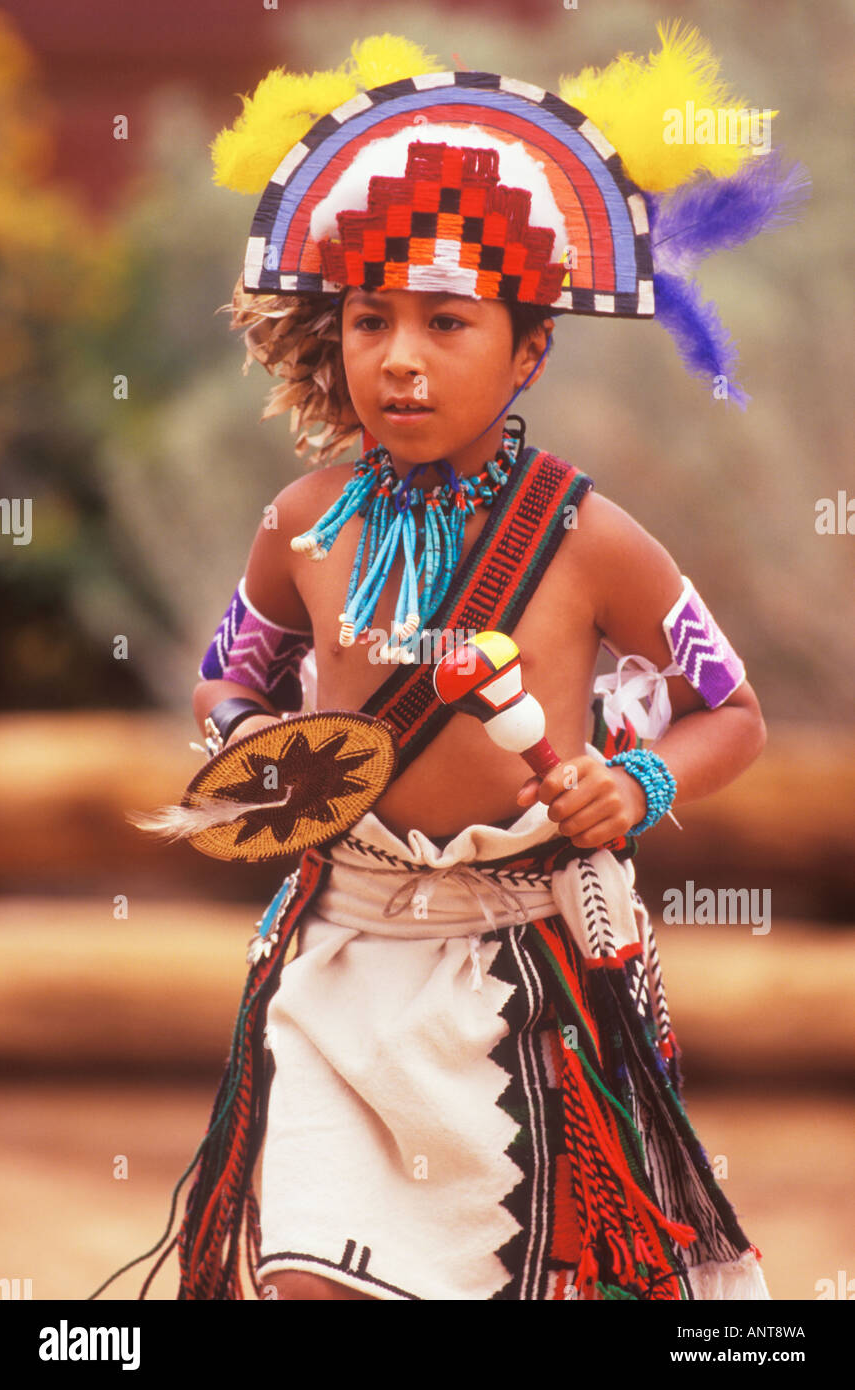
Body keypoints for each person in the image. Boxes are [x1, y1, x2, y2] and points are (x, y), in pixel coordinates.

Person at [120, 26, 810, 1302]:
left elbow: (732, 712)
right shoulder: (299, 524)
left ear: (527, 346)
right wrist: (247, 746)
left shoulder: (591, 538)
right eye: (369, 319)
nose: (398, 357)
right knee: (310, 1279)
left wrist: (636, 784)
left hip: (528, 978)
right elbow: (229, 679)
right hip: (339, 957)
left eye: (445, 322)